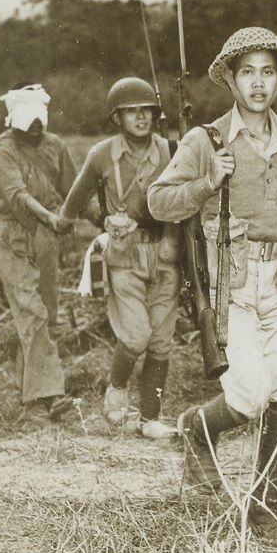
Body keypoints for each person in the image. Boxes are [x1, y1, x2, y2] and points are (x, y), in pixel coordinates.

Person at [149, 27, 277, 540]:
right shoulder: (206, 140)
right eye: (248, 73)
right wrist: (206, 182)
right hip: (229, 286)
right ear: (231, 81)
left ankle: (265, 505)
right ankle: (198, 429)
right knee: (247, 394)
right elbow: (158, 201)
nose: (259, 84)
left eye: (268, 72)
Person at [60, 78, 180, 439]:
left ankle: (149, 419)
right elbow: (73, 204)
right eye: (131, 111)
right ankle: (116, 386)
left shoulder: (172, 151)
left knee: (160, 340)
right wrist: (103, 220)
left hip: (165, 253)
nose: (141, 117)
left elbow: (187, 199)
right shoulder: (101, 154)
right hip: (123, 257)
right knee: (136, 336)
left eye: (147, 110)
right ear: (118, 118)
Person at [0, 83, 78, 422]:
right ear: (13, 121)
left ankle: (27, 391)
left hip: (47, 237)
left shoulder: (55, 146)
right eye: (29, 122)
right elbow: (17, 195)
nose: (36, 128)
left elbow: (73, 186)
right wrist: (51, 216)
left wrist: (94, 214)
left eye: (40, 121)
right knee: (31, 311)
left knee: (46, 313)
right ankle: (49, 393)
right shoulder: (2, 152)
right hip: (14, 234)